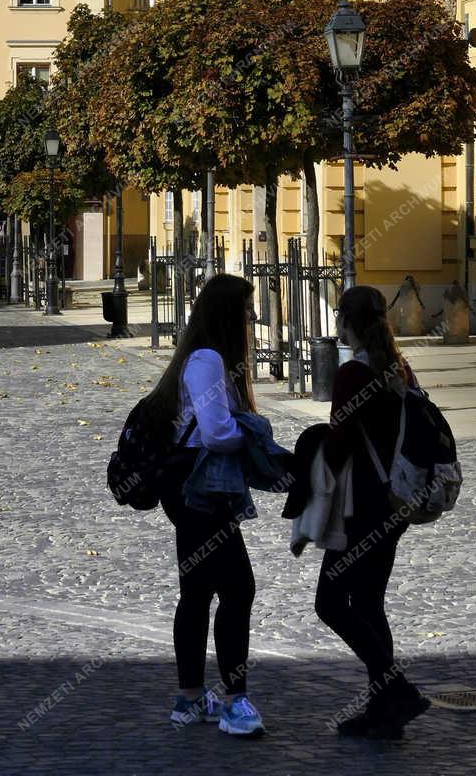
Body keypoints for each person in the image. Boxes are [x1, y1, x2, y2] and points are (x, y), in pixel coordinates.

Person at [145, 273, 274, 737]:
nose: (251, 318)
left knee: (198, 592)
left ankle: (190, 697)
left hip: (196, 492)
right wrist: (254, 438)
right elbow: (217, 432)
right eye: (246, 309)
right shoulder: (207, 361)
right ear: (226, 313)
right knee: (238, 589)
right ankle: (236, 702)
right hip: (200, 492)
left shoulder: (207, 359)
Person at [313, 286, 430, 740]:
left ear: (347, 321)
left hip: (360, 507)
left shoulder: (353, 375)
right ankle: (385, 711)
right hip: (395, 503)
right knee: (367, 603)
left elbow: (339, 444)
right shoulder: (399, 367)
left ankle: (396, 689)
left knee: (330, 603)